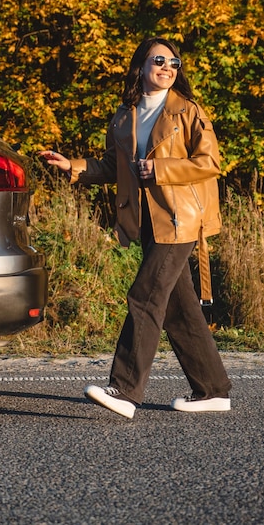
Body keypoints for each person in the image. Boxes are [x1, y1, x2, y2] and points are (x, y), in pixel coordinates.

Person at [39, 36, 232, 419]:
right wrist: (73, 166)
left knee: (144, 296)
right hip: (147, 219)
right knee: (178, 308)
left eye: (173, 63)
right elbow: (113, 166)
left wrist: (160, 169)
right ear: (140, 67)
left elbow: (210, 162)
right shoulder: (125, 115)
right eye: (158, 60)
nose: (166, 67)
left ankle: (125, 391)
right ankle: (213, 390)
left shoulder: (187, 111)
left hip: (180, 219)